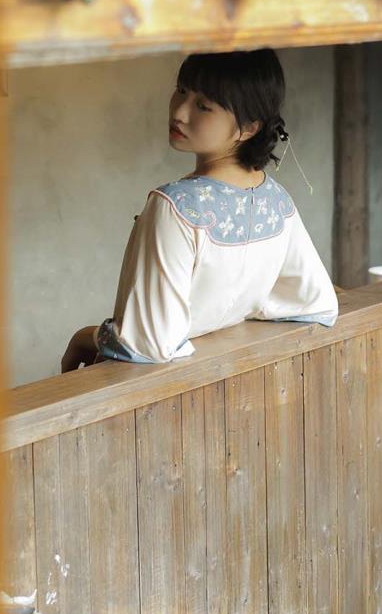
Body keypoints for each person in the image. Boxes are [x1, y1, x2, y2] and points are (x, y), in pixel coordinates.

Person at [61, 49, 338, 372]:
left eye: (203, 106)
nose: (180, 112)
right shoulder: (277, 202)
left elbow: (150, 344)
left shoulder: (174, 207)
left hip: (153, 386)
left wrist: (85, 337)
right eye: (181, 91)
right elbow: (317, 303)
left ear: (249, 127)